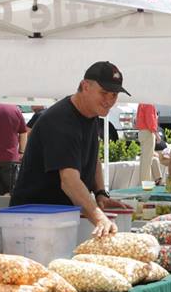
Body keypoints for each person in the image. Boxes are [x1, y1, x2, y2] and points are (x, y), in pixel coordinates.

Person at [11, 62, 132, 236]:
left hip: (60, 217)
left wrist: (100, 194)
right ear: (85, 86)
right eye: (104, 93)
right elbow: (69, 181)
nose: (109, 100)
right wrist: (99, 217)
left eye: (114, 95)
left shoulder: (91, 114)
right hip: (33, 219)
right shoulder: (61, 121)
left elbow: (92, 157)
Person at [135, 103, 161, 184]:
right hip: (148, 133)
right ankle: (146, 184)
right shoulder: (149, 104)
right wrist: (156, 134)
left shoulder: (141, 103)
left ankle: (152, 180)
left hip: (142, 132)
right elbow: (150, 120)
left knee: (146, 159)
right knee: (147, 161)